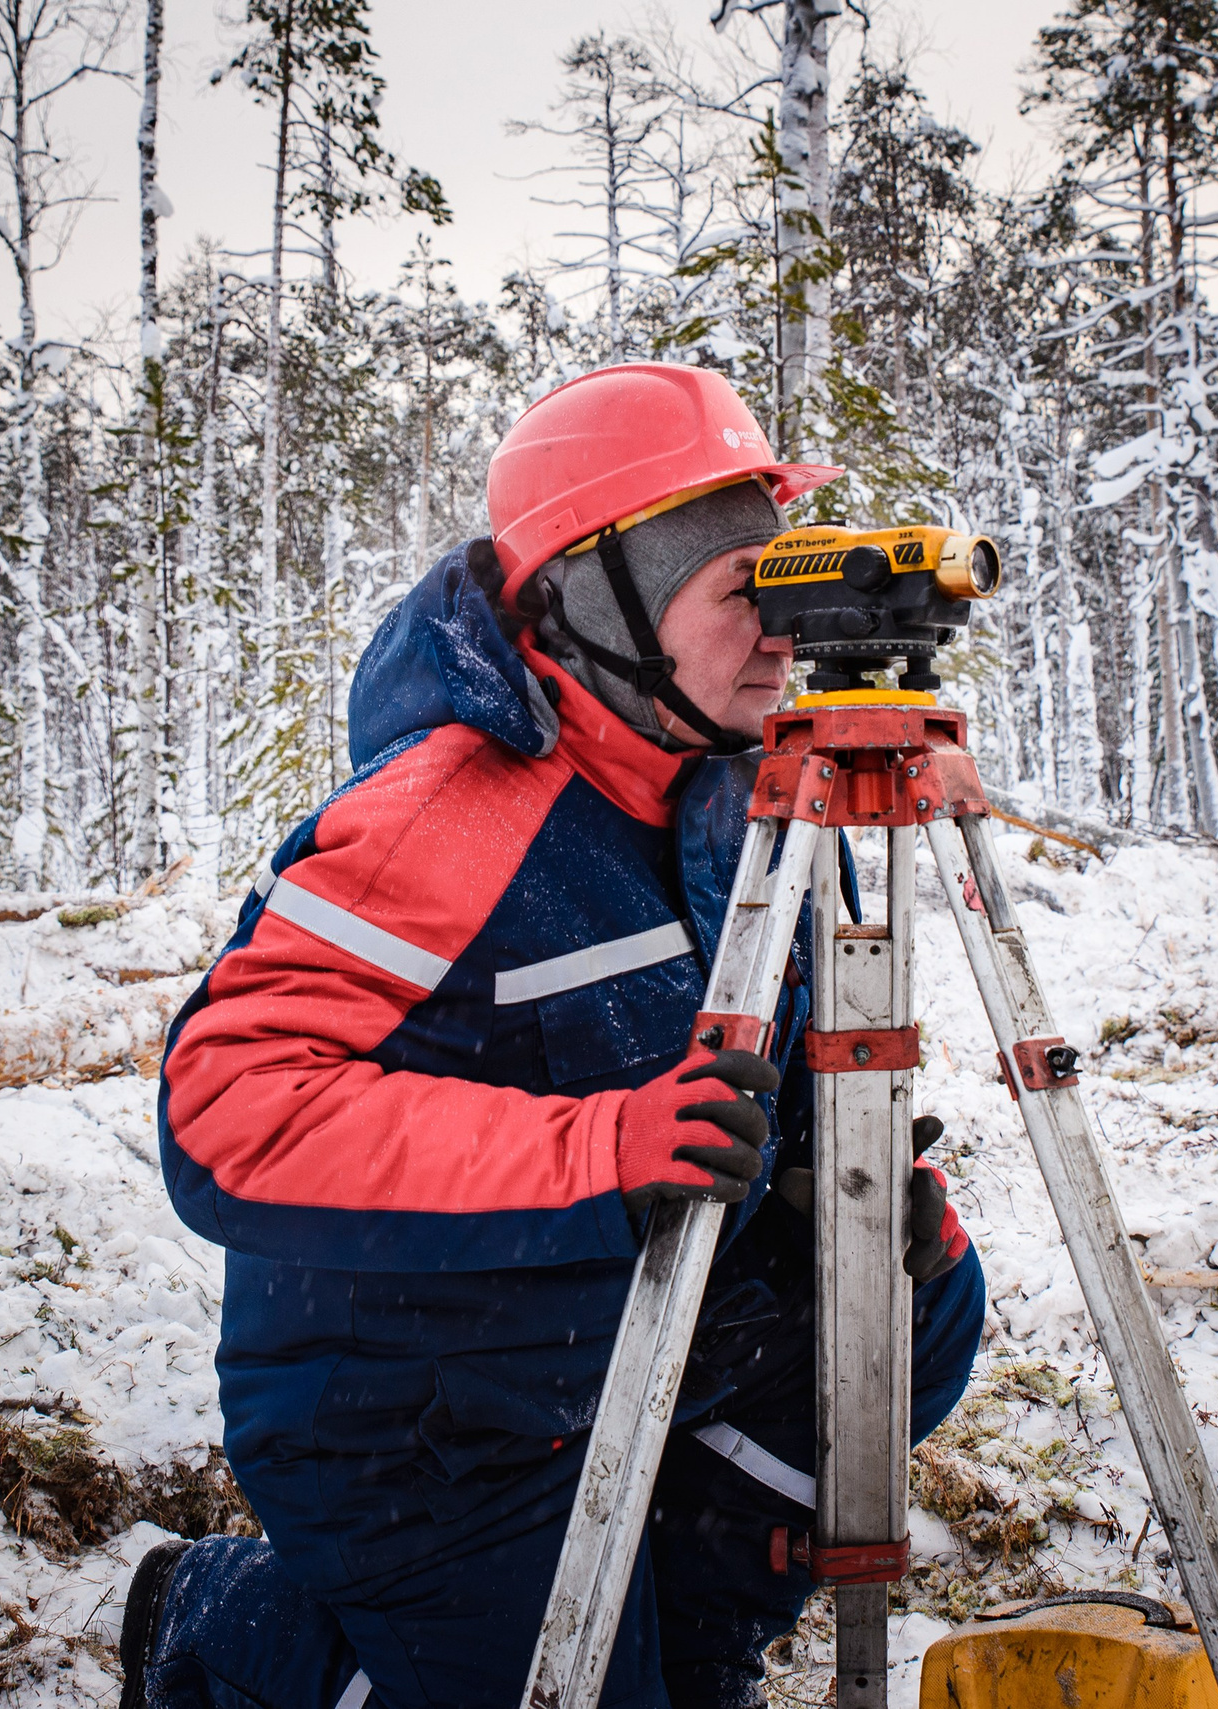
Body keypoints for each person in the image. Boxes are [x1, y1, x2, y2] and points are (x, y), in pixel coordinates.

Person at [124, 363, 986, 1709]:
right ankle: (238, 1637)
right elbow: (221, 1113)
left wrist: (846, 1195)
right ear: (593, 601)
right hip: (420, 1415)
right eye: (739, 588)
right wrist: (602, 1146)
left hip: (630, 1331)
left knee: (908, 1310)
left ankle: (692, 1637)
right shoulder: (449, 810)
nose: (782, 626)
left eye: (789, 575)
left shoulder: (753, 794)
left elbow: (778, 1064)